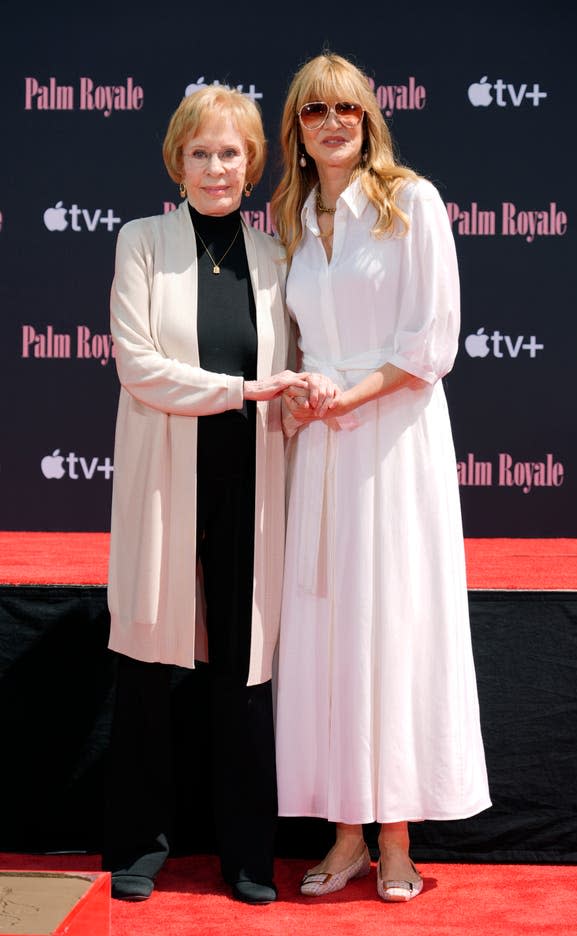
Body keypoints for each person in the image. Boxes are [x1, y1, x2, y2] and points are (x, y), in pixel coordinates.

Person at [272, 52, 491, 903]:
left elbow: (430, 343)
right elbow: (297, 352)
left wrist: (343, 398)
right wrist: (300, 404)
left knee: (391, 627)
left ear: (369, 119)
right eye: (315, 110)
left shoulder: (414, 203)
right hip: (323, 450)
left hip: (393, 443)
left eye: (349, 110)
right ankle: (346, 835)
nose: (334, 122)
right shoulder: (292, 220)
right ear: (295, 127)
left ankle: (397, 839)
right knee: (328, 635)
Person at [103, 84, 306, 905]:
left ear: (252, 165)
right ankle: (141, 844)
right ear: (177, 162)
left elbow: (290, 372)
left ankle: (248, 855)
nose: (216, 167)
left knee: (244, 676)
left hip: (251, 485)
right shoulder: (142, 242)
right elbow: (137, 366)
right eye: (201, 153)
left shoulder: (276, 258)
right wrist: (243, 391)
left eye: (230, 153)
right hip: (166, 480)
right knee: (147, 666)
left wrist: (295, 396)